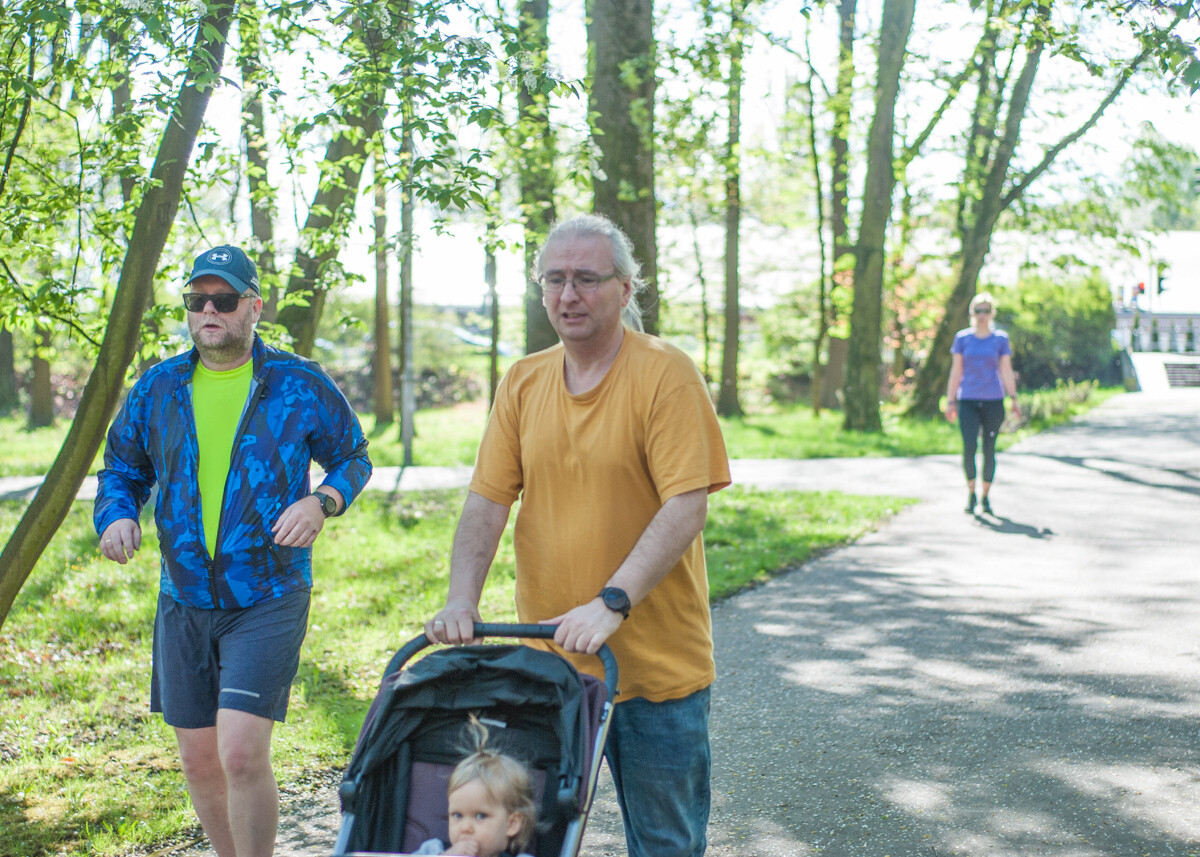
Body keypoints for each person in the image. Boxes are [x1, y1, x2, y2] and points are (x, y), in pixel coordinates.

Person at [425, 213, 731, 857]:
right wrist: (461, 598)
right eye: (555, 280)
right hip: (551, 669)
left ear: (625, 289)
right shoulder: (524, 381)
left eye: (587, 279)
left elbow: (686, 504)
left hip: (656, 670)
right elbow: (486, 501)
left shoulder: (665, 373)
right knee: (526, 843)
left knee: (666, 845)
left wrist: (611, 601)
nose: (569, 295)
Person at [93, 244, 372, 857]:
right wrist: (115, 515)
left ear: (254, 306)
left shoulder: (298, 384)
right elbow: (121, 467)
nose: (209, 311)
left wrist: (321, 502)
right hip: (183, 597)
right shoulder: (159, 387)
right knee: (198, 761)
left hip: (268, 594)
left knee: (241, 751)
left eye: (223, 299)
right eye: (198, 301)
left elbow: (354, 456)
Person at [412, 717, 537, 857]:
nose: (465, 828)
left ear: (511, 824)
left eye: (480, 816)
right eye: (457, 815)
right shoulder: (433, 851)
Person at [944, 291, 1021, 515]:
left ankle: (985, 497)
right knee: (969, 448)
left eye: (986, 311)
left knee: (989, 449)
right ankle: (971, 493)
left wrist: (1013, 399)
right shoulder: (962, 338)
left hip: (993, 400)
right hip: (967, 399)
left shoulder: (1000, 339)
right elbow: (956, 371)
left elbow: (1006, 370)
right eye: (978, 311)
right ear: (972, 313)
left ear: (991, 313)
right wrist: (950, 401)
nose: (982, 315)